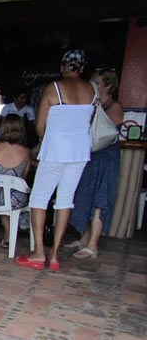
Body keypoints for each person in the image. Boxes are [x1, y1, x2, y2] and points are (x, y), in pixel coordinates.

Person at [15, 49, 96, 271]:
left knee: (39, 199)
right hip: (79, 152)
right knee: (65, 200)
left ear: (62, 66)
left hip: (55, 151)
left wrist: (45, 139)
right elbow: (87, 122)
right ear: (82, 67)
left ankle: (39, 252)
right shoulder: (91, 90)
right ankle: (54, 256)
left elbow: (40, 125)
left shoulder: (54, 88)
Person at [67, 69, 123, 259]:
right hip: (90, 156)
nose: (94, 86)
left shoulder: (114, 106)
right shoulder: (93, 103)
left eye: (97, 83)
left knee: (101, 198)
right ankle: (84, 237)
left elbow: (105, 131)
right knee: (87, 195)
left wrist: (94, 109)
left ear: (108, 86)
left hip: (106, 158)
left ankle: (93, 245)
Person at [0, 114, 32, 248]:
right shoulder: (26, 152)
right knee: (13, 196)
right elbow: (24, 177)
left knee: (1, 196)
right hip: (16, 199)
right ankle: (12, 232)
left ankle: (8, 234)